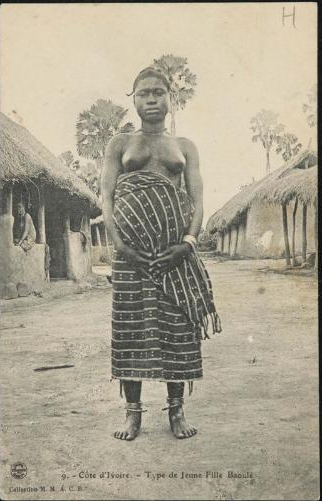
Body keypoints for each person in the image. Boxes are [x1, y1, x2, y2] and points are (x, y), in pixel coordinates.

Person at [101, 66, 221, 441]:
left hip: (175, 254)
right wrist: (120, 245)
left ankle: (176, 411)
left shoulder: (184, 146)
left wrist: (187, 243)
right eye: (143, 93)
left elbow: (198, 200)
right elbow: (106, 196)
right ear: (133, 99)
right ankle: (132, 414)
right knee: (131, 329)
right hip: (130, 255)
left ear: (170, 98)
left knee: (176, 328)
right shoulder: (120, 144)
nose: (151, 99)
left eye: (158, 92)